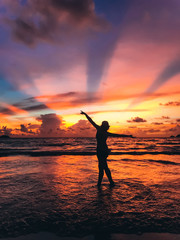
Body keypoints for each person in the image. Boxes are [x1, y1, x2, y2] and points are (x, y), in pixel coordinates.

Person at [80, 111, 133, 187]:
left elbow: (91, 121)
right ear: (106, 126)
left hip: (100, 151)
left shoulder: (99, 129)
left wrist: (85, 114)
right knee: (103, 167)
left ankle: (105, 183)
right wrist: (128, 136)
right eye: (107, 126)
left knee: (102, 167)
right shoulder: (105, 132)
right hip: (103, 151)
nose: (108, 127)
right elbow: (118, 135)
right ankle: (107, 182)